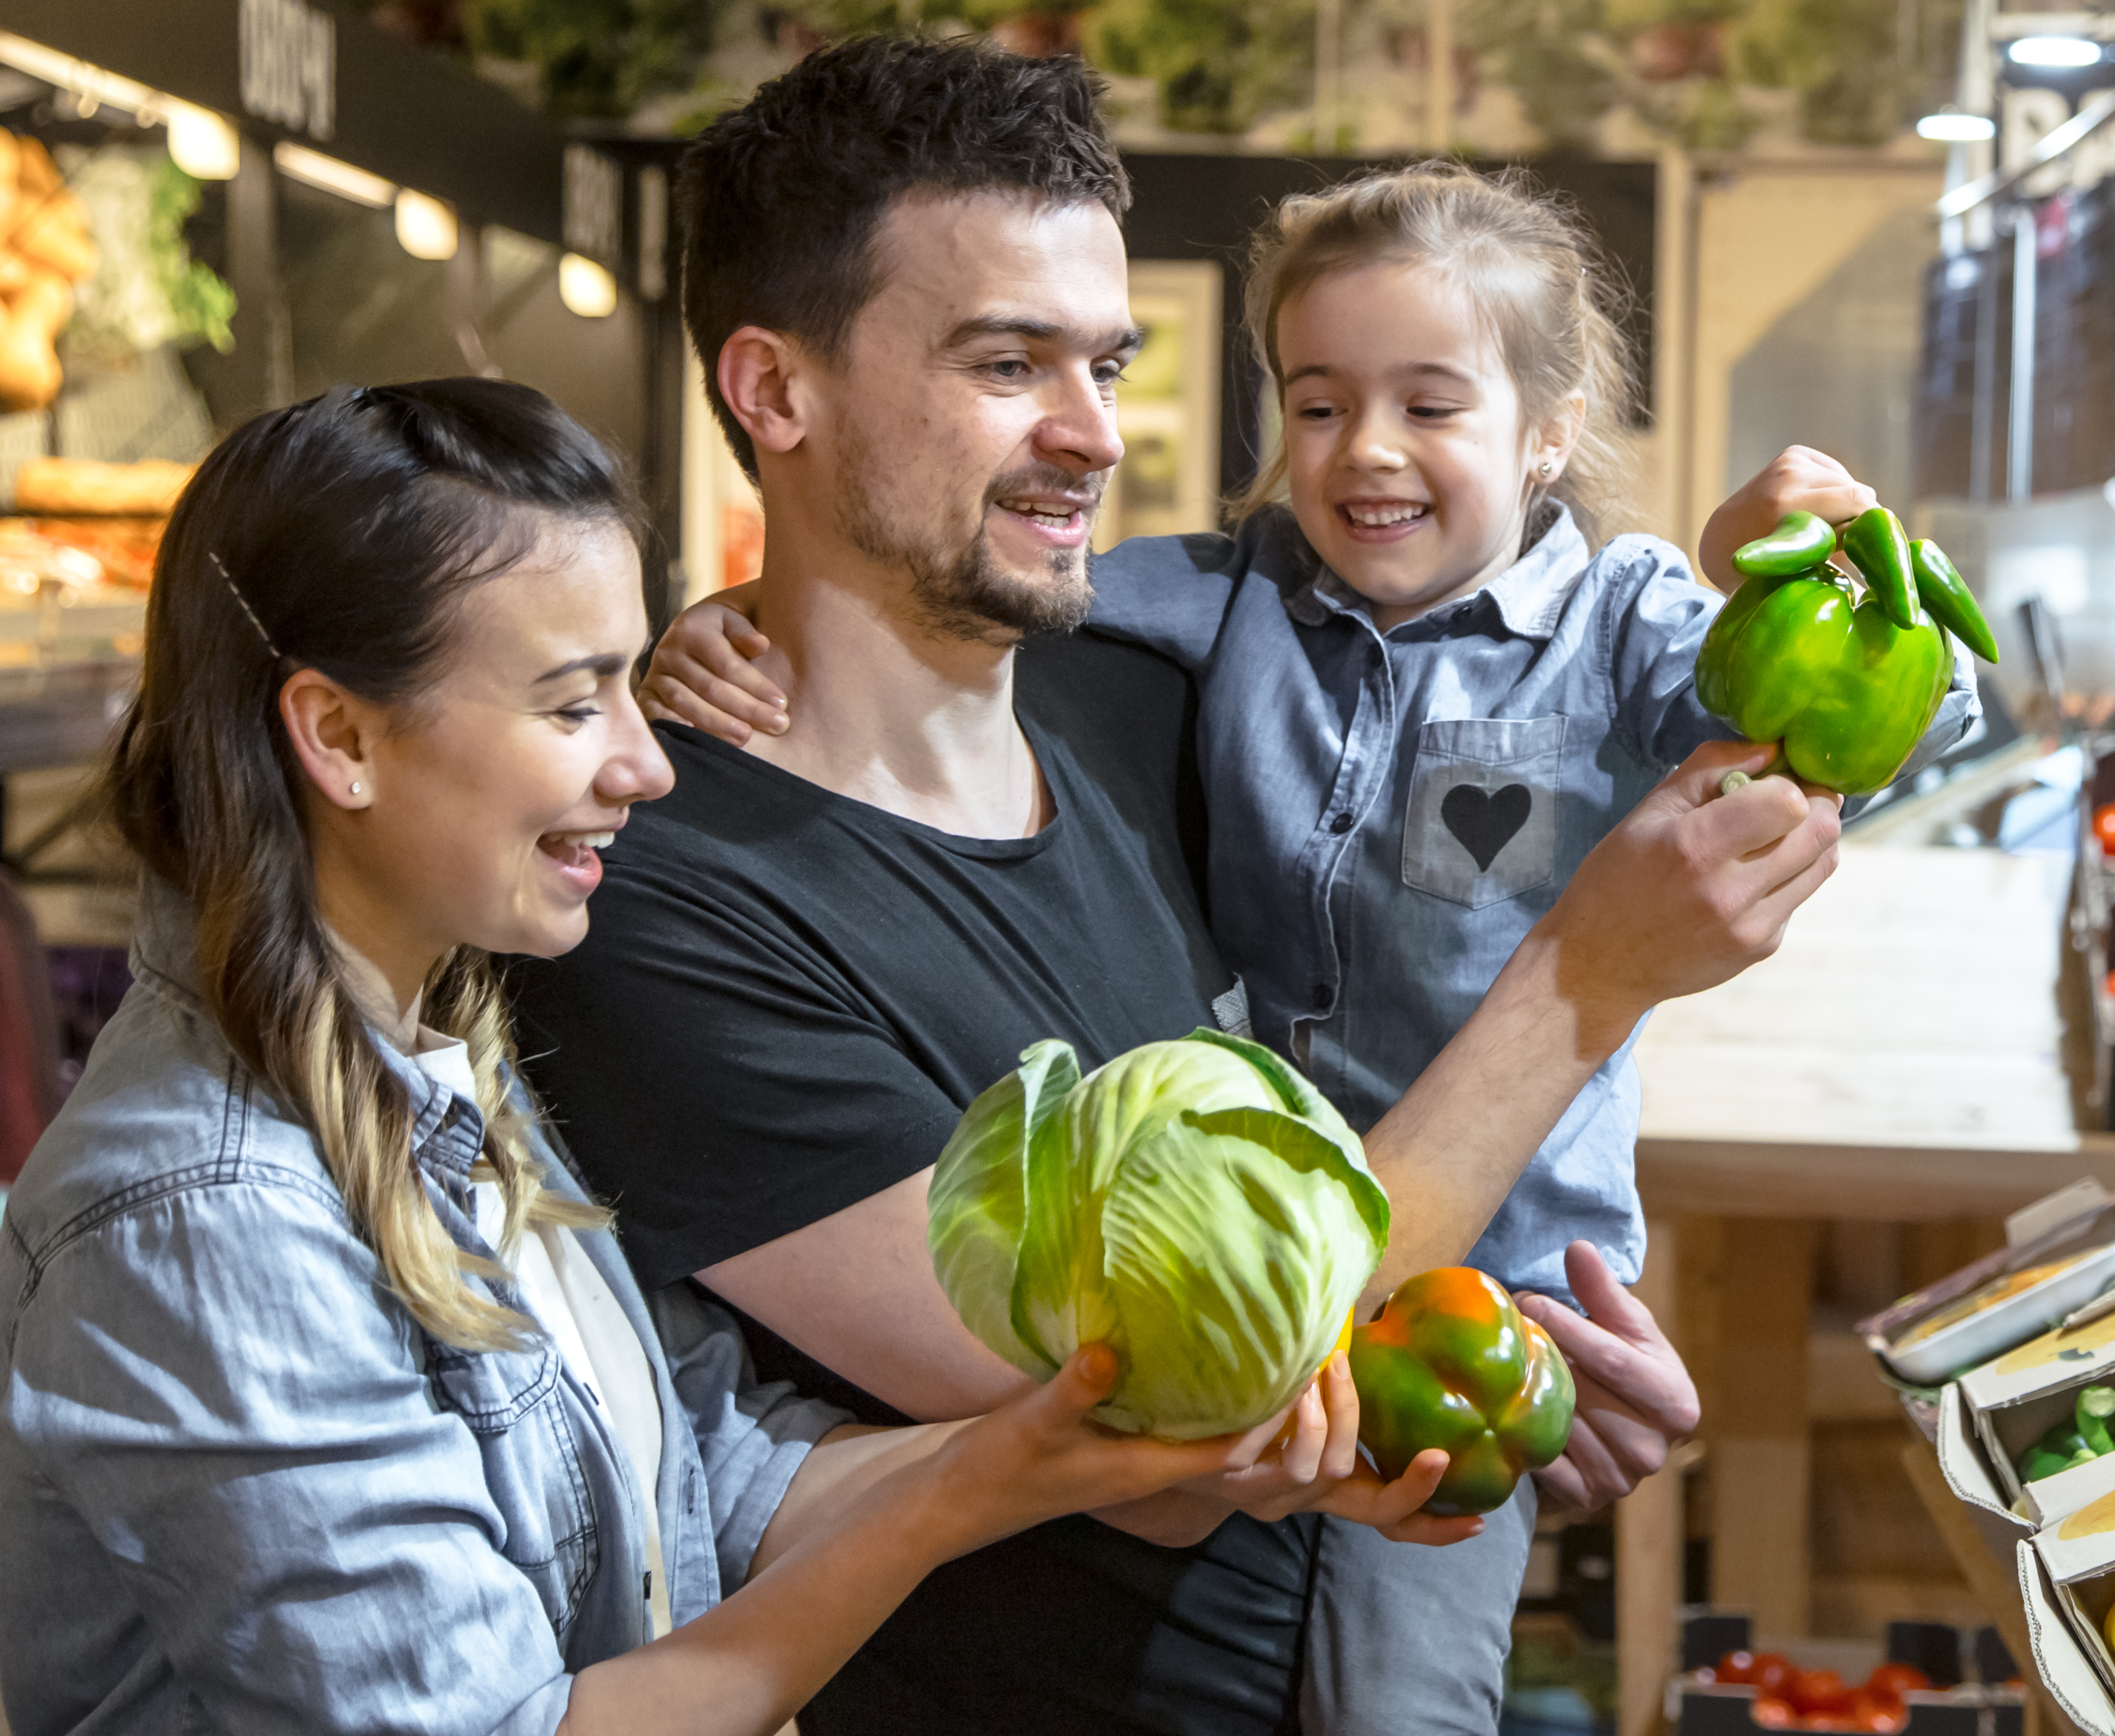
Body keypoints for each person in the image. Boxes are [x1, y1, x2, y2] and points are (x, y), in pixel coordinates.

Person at [510, 36, 1841, 1736]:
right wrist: (1588, 974)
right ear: (774, 392)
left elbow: (1335, 1168)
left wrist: (1496, 1373)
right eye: (1008, 364)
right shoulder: (666, 903)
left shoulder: (1149, 699)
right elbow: (1143, 1426)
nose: (1089, 433)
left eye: (1105, 363)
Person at [0, 379, 1347, 1736]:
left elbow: (718, 1470)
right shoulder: (205, 1218)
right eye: (575, 704)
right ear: (339, 736)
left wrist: (1065, 1453)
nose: (650, 765)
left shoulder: (454, 1044)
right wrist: (970, 1487)